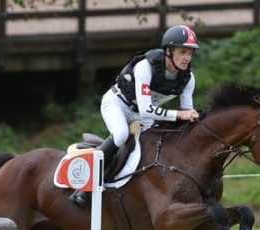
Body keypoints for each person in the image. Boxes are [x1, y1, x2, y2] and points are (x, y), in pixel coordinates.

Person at [69, 24, 201, 210]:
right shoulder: (145, 67)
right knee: (121, 134)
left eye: (190, 53)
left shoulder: (188, 78)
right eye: (183, 52)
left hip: (141, 112)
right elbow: (150, 110)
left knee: (156, 144)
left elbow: (186, 112)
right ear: (169, 50)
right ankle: (86, 188)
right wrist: (180, 114)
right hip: (118, 104)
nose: (187, 58)